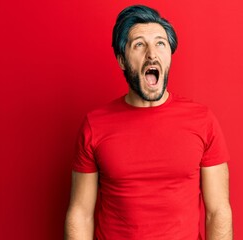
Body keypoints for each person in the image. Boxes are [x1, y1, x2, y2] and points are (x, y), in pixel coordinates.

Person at [65, 5, 233, 240]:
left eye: (160, 43)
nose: (152, 54)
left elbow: (217, 212)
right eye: (140, 44)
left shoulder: (202, 121)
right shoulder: (94, 125)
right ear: (122, 60)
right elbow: (80, 213)